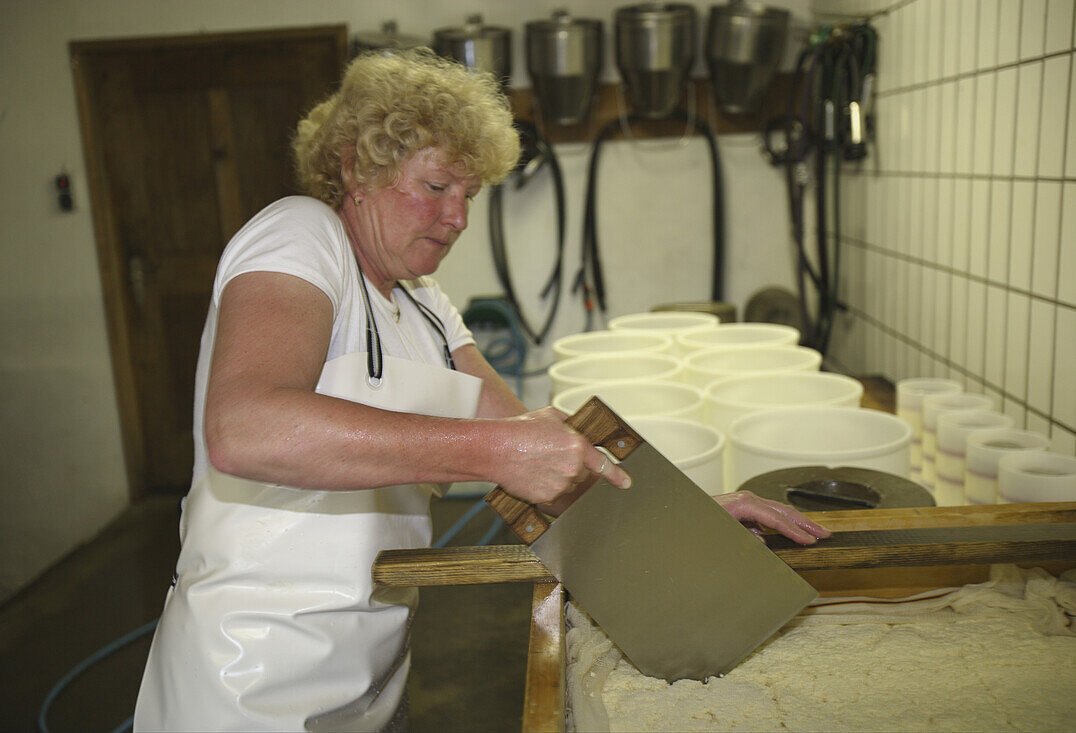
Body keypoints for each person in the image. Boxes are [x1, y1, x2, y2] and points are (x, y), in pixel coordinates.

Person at [133, 48, 828, 733]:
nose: (458, 217)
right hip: (249, 681)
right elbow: (245, 426)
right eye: (436, 188)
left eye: (470, 194)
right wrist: (491, 451)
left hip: (370, 674)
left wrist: (691, 517)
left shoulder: (429, 307)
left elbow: (543, 450)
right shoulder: (300, 236)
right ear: (353, 165)